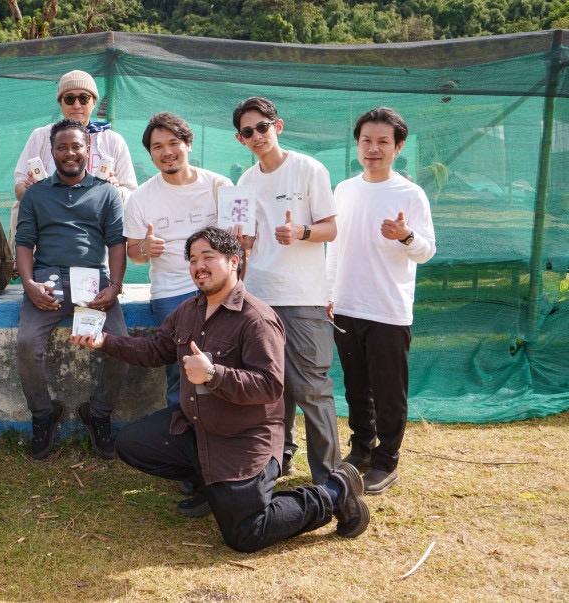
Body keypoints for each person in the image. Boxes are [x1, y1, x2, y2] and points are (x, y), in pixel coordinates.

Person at [71, 227, 369, 553]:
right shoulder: (189, 311)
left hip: (243, 441)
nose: (199, 265)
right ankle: (210, 486)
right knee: (132, 443)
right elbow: (155, 350)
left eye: (208, 257)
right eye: (193, 259)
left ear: (233, 262)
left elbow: (270, 386)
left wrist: (213, 374)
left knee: (246, 534)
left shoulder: (257, 319)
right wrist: (104, 341)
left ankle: (334, 493)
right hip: (198, 427)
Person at [327, 107, 436, 495]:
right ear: (357, 144)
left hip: (388, 309)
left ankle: (387, 461)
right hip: (346, 306)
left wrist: (406, 236)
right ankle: (361, 450)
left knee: (389, 391)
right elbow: (335, 247)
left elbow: (427, 251)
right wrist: (328, 293)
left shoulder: (410, 193)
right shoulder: (344, 189)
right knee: (356, 388)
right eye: (366, 141)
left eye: (383, 142)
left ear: (398, 147)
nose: (373, 148)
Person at [232, 96, 340, 484]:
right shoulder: (244, 183)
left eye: (262, 127)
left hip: (302, 296)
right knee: (271, 389)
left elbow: (331, 228)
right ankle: (280, 458)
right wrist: (241, 242)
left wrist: (301, 231)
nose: (257, 136)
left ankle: (330, 479)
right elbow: (243, 244)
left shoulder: (309, 169)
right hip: (259, 297)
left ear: (277, 126)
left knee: (311, 388)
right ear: (240, 139)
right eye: (248, 132)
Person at [15, 119, 129, 461]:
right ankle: (43, 414)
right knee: (27, 344)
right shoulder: (35, 194)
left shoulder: (107, 192)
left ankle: (98, 412)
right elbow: (24, 243)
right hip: (47, 282)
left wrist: (115, 287)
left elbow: (117, 243)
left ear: (87, 149)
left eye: (76, 146)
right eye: (61, 147)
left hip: (94, 284)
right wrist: (29, 284)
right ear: (51, 152)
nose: (69, 153)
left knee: (121, 345)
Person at [124, 112, 231, 409]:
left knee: (225, 360)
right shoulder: (139, 198)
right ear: (150, 154)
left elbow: (239, 241)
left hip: (220, 288)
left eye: (173, 143)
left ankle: (225, 426)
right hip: (171, 293)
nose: (167, 152)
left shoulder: (219, 185)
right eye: (157, 146)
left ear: (188, 144)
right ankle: (180, 424)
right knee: (181, 365)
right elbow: (134, 255)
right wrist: (145, 247)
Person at [10, 70, 138, 245]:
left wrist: (115, 191)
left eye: (84, 98)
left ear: (94, 102)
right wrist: (33, 191)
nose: (77, 105)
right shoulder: (41, 136)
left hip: (95, 232)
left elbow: (131, 193)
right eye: (69, 99)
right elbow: (19, 188)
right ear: (60, 103)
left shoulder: (113, 141)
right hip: (47, 229)